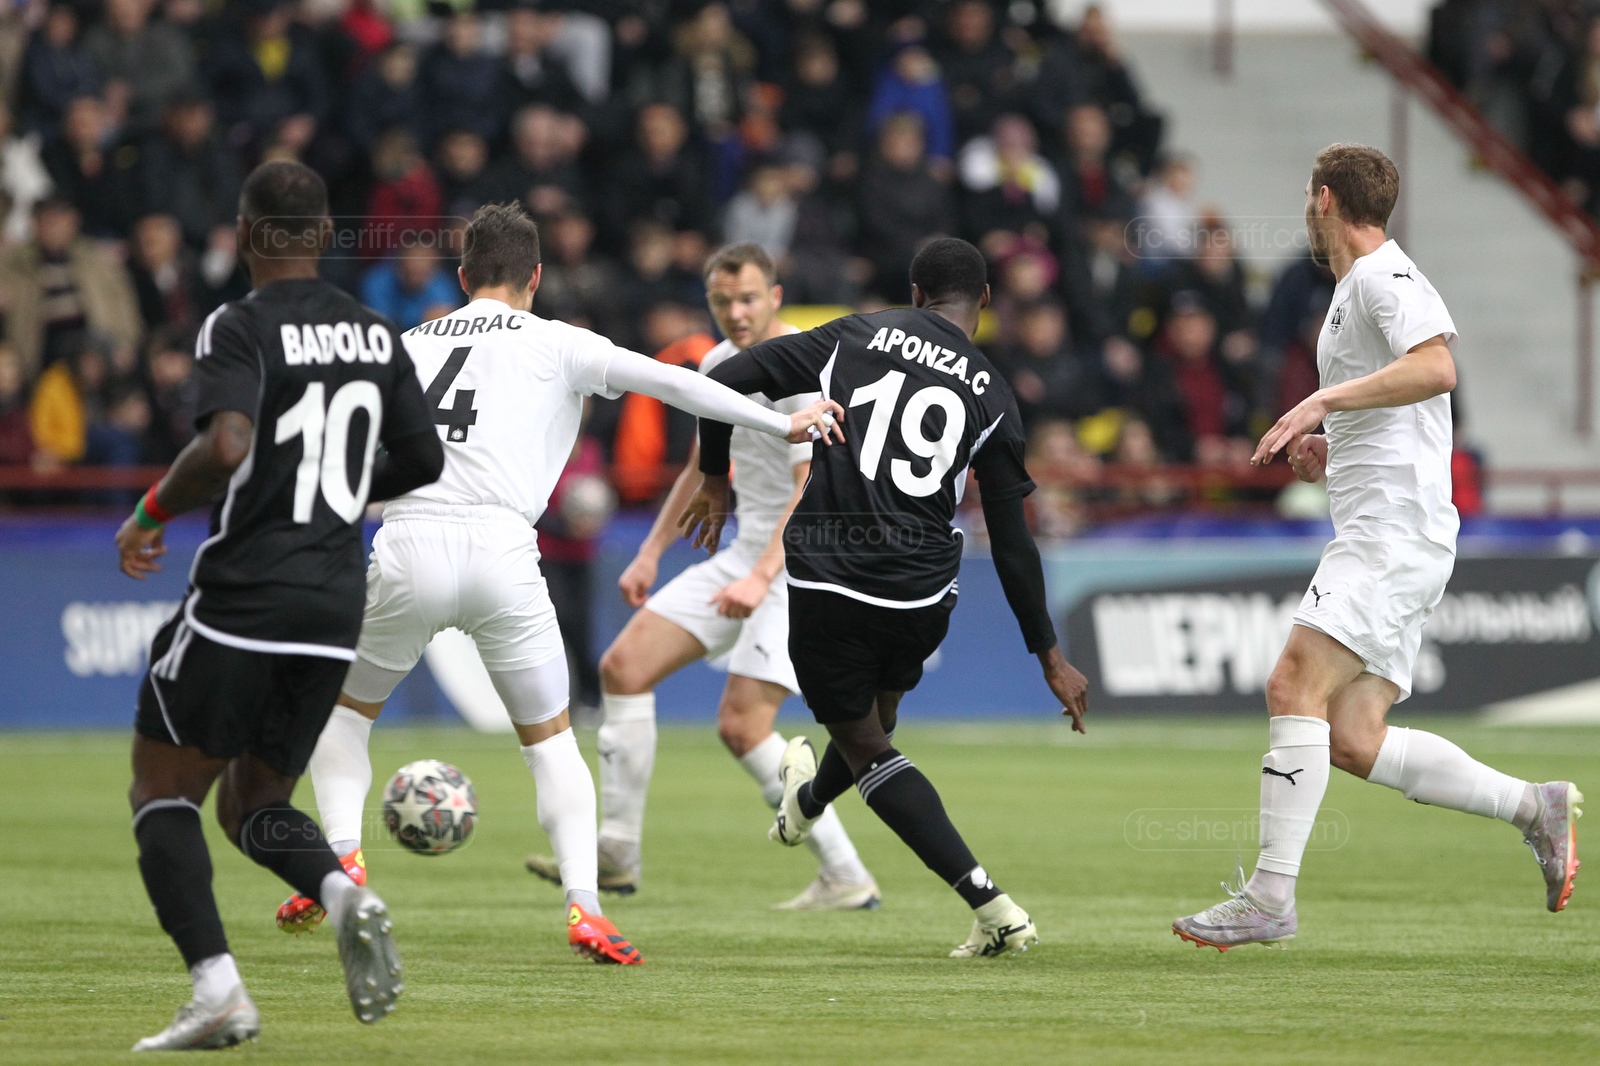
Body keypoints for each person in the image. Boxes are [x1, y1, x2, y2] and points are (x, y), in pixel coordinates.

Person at [278, 205, 846, 964]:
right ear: (537, 277)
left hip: (407, 540)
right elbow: (677, 384)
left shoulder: (408, 343)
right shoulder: (559, 341)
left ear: (461, 278)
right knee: (550, 745)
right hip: (504, 554)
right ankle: (586, 908)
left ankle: (341, 861)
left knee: (345, 717)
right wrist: (781, 425)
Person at [1172, 144, 1582, 951]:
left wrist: (1319, 401)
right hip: (1396, 530)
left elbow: (1436, 368)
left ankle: (1270, 897)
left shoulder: (1382, 278)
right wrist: (1334, 449)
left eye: (1307, 193)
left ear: (1325, 199)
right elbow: (1402, 411)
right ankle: (1534, 807)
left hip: (1391, 536)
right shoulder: (1352, 292)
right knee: (1352, 737)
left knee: (1292, 682)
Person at [113, 161, 445, 1049]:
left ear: (245, 233)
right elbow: (424, 461)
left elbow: (226, 443)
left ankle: (218, 990)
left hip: (245, 594)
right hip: (334, 604)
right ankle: (343, 892)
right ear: (326, 232)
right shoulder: (377, 333)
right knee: (254, 801)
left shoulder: (239, 323)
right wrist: (339, 493)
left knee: (161, 788)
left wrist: (149, 512)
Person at [685, 237, 1090, 956]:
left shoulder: (857, 335)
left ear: (915, 293)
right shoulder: (996, 395)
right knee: (877, 720)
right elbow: (1013, 540)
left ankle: (993, 907)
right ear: (985, 301)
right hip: (920, 594)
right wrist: (1049, 657)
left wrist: (715, 476)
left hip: (830, 576)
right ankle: (806, 803)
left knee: (867, 745)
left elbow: (723, 378)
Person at [526, 243, 879, 909]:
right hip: (746, 554)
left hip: (801, 566)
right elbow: (700, 467)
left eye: (748, 299)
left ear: (775, 297)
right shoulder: (718, 365)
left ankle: (846, 874)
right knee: (624, 668)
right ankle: (617, 852)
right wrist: (650, 552)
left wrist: (761, 577)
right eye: (722, 301)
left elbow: (809, 489)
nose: (736, 313)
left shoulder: (802, 370)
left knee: (743, 726)